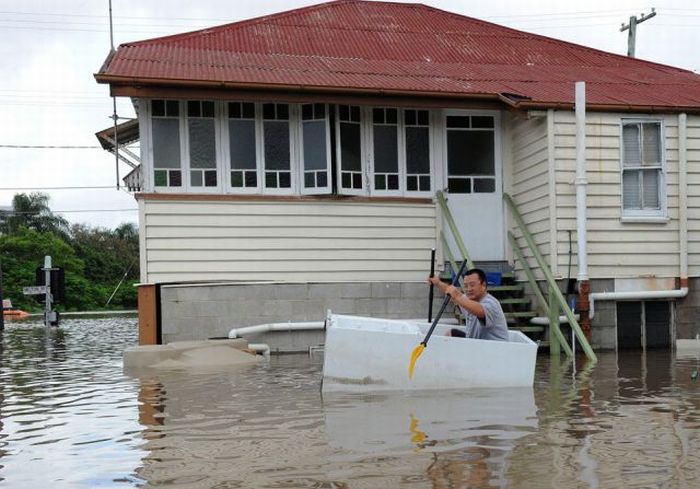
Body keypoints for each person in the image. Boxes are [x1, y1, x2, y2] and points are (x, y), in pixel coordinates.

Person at [428, 268, 509, 341]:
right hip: (476, 345)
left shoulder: (491, 303)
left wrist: (457, 296)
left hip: (495, 350)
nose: (468, 289)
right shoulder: (468, 300)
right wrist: (437, 283)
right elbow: (451, 292)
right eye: (466, 286)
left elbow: (480, 310)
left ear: (483, 285)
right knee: (450, 333)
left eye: (472, 285)